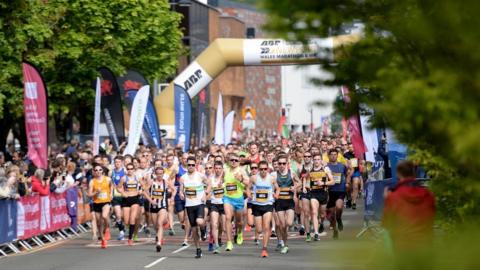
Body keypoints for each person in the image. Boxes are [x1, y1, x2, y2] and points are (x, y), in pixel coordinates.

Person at [382, 160, 435, 253]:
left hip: (403, 245)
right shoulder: (428, 195)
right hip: (425, 244)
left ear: (398, 174)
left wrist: (387, 200)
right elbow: (432, 218)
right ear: (414, 172)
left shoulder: (394, 196)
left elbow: (387, 223)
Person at [179, 157, 211, 258]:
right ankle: (198, 249)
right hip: (189, 205)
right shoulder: (183, 177)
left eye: (193, 165)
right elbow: (181, 190)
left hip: (199, 203)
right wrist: (181, 194)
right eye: (189, 165)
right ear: (186, 165)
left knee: (200, 221)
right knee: (193, 230)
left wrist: (205, 193)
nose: (191, 167)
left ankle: (203, 229)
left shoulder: (200, 176)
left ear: (196, 165)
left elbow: (209, 184)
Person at [247, 161, 279, 258]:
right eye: (261, 169)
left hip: (268, 204)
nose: (263, 171)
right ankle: (262, 240)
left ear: (268, 169)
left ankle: (264, 248)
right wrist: (249, 195)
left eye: (265, 169)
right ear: (258, 169)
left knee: (266, 227)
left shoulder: (271, 178)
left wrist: (276, 194)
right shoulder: (254, 178)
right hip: (256, 205)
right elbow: (248, 188)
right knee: (259, 229)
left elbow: (277, 188)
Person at [143, 166, 176, 253]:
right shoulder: (151, 182)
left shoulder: (166, 182)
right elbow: (144, 192)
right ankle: (159, 235)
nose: (159, 176)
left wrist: (172, 197)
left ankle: (158, 243)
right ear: (155, 174)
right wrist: (151, 200)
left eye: (161, 174)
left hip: (163, 206)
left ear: (163, 174)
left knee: (159, 223)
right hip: (153, 207)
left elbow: (174, 189)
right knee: (155, 226)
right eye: (158, 174)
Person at [273, 155, 300, 254]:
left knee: (289, 223)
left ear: (287, 164)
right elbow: (268, 185)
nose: (281, 165)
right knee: (282, 225)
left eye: (283, 163)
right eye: (280, 163)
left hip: (289, 201)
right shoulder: (274, 175)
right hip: (279, 202)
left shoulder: (291, 173)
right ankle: (285, 244)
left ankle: (284, 243)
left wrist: (295, 187)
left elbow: (299, 182)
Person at [223, 153, 249, 251]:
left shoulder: (241, 171)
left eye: (236, 160)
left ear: (239, 162)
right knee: (228, 218)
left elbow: (248, 182)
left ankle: (239, 232)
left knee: (239, 221)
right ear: (229, 161)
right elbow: (220, 180)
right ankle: (229, 242)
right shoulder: (225, 170)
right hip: (227, 197)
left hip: (238, 198)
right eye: (232, 160)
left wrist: (241, 179)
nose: (234, 162)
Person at [306, 153, 334, 241]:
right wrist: (306, 186)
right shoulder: (310, 169)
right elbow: (306, 180)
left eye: (318, 159)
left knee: (322, 214)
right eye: (315, 159)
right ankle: (316, 233)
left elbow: (332, 181)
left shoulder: (325, 169)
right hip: (314, 193)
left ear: (321, 160)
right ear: (313, 161)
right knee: (314, 212)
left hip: (323, 193)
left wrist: (323, 183)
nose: (316, 161)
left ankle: (321, 223)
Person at [326, 149, 351, 239]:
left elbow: (347, 174)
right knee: (332, 215)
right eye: (331, 154)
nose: (333, 156)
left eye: (335, 154)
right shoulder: (326, 166)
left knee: (339, 207)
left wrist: (347, 182)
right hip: (330, 191)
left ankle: (339, 218)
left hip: (340, 190)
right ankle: (335, 230)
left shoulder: (342, 166)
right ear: (329, 156)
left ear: (337, 156)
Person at [87, 164, 113, 249]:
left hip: (106, 201)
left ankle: (107, 229)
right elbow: (89, 194)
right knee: (99, 222)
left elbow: (112, 186)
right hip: (96, 202)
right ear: (94, 172)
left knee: (105, 216)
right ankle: (102, 239)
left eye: (100, 170)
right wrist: (95, 192)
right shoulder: (92, 181)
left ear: (103, 171)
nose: (98, 172)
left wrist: (111, 193)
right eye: (96, 170)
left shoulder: (108, 179)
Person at [117, 163, 143, 246]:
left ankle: (130, 238)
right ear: (126, 170)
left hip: (135, 199)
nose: (130, 170)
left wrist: (141, 191)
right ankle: (133, 229)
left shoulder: (137, 177)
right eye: (128, 169)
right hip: (126, 199)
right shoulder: (124, 178)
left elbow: (144, 186)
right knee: (126, 221)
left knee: (132, 218)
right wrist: (122, 192)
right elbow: (118, 187)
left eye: (131, 169)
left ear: (134, 170)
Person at [208, 161, 226, 254]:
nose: (218, 170)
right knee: (214, 224)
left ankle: (218, 238)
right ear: (214, 169)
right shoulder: (211, 178)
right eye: (216, 168)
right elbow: (208, 189)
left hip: (224, 204)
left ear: (222, 169)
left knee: (223, 227)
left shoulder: (225, 178)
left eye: (219, 168)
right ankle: (216, 245)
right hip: (214, 204)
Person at [111, 156, 126, 240]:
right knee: (118, 214)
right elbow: (111, 184)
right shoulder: (111, 172)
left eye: (119, 162)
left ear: (122, 163)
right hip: (116, 196)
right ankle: (121, 232)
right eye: (116, 162)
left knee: (124, 216)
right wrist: (110, 194)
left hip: (124, 195)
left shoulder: (125, 171)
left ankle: (123, 227)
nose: (117, 163)